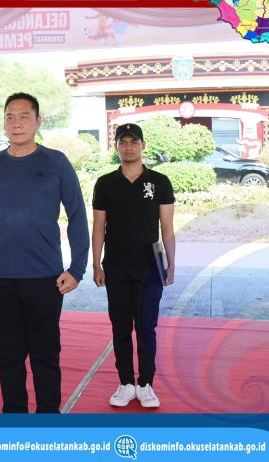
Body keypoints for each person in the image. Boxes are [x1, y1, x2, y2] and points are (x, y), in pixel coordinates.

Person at [0, 92, 89, 413]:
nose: (16, 123)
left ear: (38, 121)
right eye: (10, 117)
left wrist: (77, 268)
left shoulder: (56, 162)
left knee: (45, 356)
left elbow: (77, 215)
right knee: (9, 356)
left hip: (45, 277)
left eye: (24, 116)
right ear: (4, 122)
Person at [92, 123, 175, 409]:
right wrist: (96, 264)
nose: (128, 147)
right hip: (115, 266)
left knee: (146, 326)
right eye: (123, 142)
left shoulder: (159, 181)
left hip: (149, 267)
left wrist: (171, 264)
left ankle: (146, 383)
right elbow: (99, 227)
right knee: (120, 326)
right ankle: (126, 383)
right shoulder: (105, 183)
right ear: (116, 146)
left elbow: (167, 227)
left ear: (143, 145)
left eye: (133, 142)